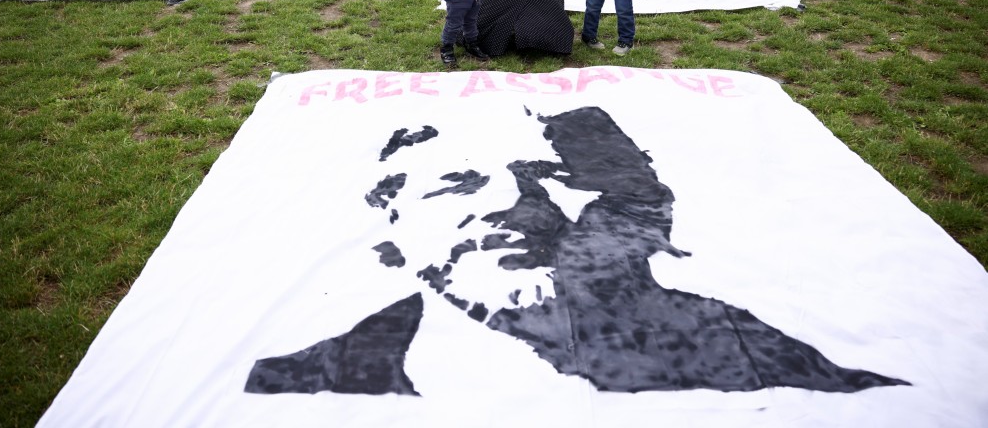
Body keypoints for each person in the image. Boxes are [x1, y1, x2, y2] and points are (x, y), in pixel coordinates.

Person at [246, 105, 910, 396]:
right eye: (456, 186)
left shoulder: (731, 342)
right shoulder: (312, 378)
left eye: (528, 184)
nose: (510, 208)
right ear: (393, 240)